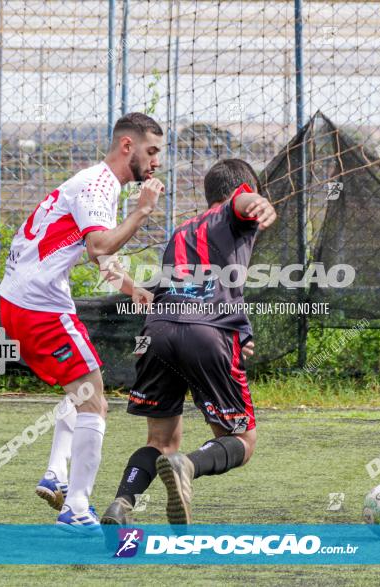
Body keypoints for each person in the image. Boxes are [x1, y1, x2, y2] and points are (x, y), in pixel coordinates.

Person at [0, 113, 165, 531]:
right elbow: (97, 247)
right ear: (127, 146)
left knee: (80, 390)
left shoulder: (93, 183)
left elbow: (100, 258)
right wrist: (142, 212)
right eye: (152, 151)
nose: (156, 162)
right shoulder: (99, 184)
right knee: (94, 398)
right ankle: (76, 509)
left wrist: (132, 290)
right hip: (39, 306)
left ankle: (56, 473)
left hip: (21, 301)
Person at [100, 158, 276, 528]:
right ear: (246, 190)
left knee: (161, 440)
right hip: (205, 333)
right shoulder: (236, 210)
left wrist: (235, 337)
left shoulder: (183, 230)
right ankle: (188, 465)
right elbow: (241, 203)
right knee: (242, 440)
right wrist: (255, 202)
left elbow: (181, 292)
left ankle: (121, 502)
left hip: (156, 334)